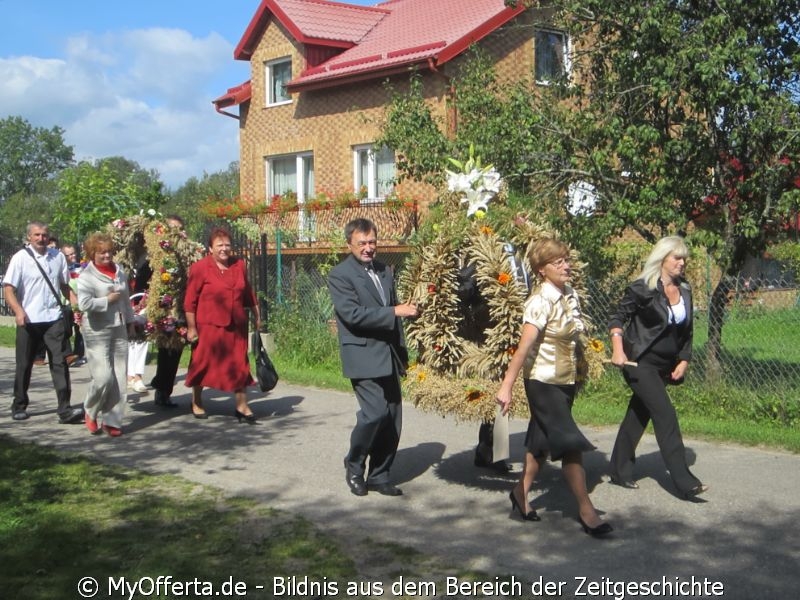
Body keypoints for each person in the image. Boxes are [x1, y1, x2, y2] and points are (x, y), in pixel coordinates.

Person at [496, 238, 612, 537]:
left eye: (566, 259)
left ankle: (520, 493)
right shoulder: (540, 302)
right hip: (542, 382)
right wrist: (506, 386)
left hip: (565, 382)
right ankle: (587, 511)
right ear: (541, 270)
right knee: (569, 441)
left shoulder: (569, 294)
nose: (565, 265)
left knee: (540, 442)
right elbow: (523, 349)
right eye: (557, 262)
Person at [607, 235, 708, 499]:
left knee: (638, 415)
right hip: (638, 362)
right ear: (662, 258)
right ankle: (685, 481)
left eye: (684, 258)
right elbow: (618, 318)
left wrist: (684, 359)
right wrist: (617, 349)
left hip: (665, 365)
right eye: (677, 257)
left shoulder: (684, 289)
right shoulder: (642, 288)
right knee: (665, 415)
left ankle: (619, 470)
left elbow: (688, 331)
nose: (682, 263)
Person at [327, 218, 419, 497]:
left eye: (372, 242)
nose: (368, 248)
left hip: (389, 355)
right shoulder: (340, 275)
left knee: (392, 418)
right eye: (362, 243)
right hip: (363, 355)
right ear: (350, 244)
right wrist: (394, 312)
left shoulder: (384, 271)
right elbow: (352, 315)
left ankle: (380, 475)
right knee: (373, 414)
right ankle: (354, 464)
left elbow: (395, 314)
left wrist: (403, 354)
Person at [3, 222, 84, 423]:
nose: (41, 238)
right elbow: (8, 289)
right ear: (29, 237)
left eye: (44, 235)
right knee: (24, 364)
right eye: (37, 235)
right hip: (29, 319)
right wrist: (18, 311)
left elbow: (65, 286)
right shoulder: (20, 258)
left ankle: (65, 409)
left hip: (53, 318)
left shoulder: (57, 257)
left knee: (60, 363)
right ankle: (19, 404)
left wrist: (77, 307)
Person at [184, 227, 261, 422]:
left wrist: (257, 315)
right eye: (219, 245)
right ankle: (197, 401)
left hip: (237, 326)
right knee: (203, 364)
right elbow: (190, 301)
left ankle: (242, 405)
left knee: (239, 364)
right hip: (209, 326)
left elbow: (248, 293)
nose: (224, 249)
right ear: (210, 248)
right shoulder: (200, 268)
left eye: (227, 245)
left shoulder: (239, 265)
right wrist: (192, 327)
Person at [77, 232, 136, 436]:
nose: (107, 256)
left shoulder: (119, 271)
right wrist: (106, 301)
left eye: (110, 252)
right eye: (102, 252)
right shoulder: (86, 276)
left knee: (120, 375)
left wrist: (130, 321)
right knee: (103, 377)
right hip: (96, 329)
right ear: (93, 253)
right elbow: (83, 304)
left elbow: (126, 299)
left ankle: (112, 421)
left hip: (119, 327)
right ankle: (90, 409)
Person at [148, 215, 188, 408]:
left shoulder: (186, 252)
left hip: (182, 308)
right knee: (166, 351)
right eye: (171, 228)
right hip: (164, 307)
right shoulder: (157, 251)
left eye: (178, 229)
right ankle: (161, 389)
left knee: (176, 350)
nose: (174, 232)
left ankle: (165, 389)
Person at [61, 243, 86, 366]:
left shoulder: (81, 267)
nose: (72, 256)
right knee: (66, 330)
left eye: (73, 253)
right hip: (66, 303)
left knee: (80, 329)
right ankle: (67, 354)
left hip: (80, 301)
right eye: (68, 254)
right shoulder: (62, 268)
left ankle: (79, 354)